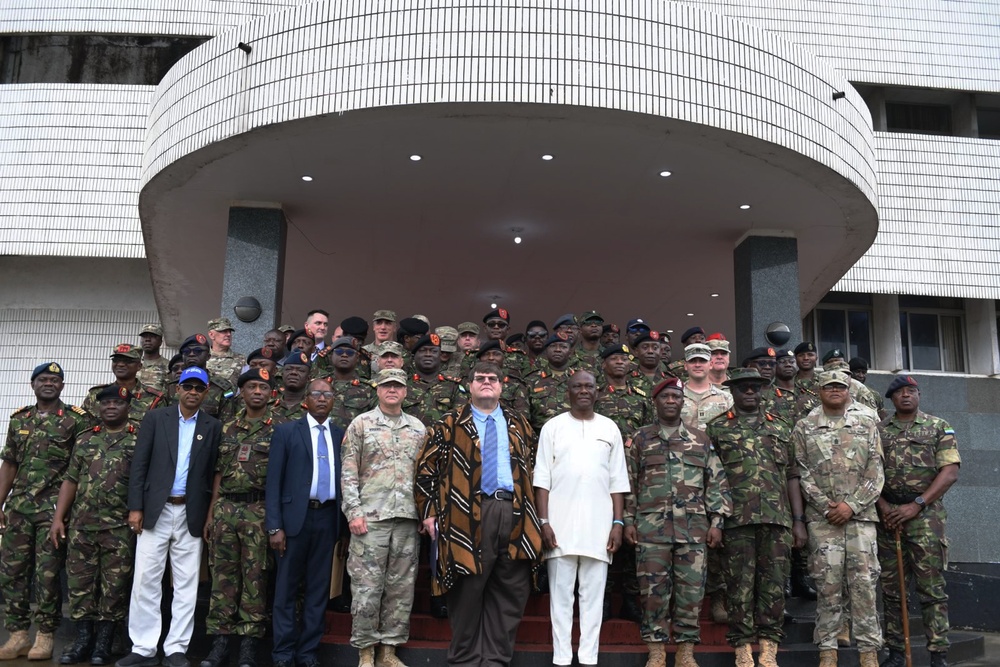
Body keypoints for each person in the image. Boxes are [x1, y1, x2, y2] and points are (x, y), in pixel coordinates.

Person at [414, 362, 543, 667]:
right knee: (467, 590)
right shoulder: (449, 423)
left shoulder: (520, 424)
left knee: (511, 589)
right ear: (469, 385)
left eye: (493, 378)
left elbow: (538, 469)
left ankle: (496, 660)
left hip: (516, 512)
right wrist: (429, 514)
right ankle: (465, 660)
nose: (487, 382)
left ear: (502, 385)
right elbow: (424, 471)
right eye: (480, 378)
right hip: (465, 516)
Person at [118, 367, 222, 667]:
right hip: (156, 510)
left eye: (198, 388)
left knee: (186, 584)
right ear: (177, 389)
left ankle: (176, 647)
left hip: (191, 511)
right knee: (146, 580)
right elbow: (140, 464)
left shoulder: (213, 426)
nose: (192, 392)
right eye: (187, 386)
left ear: (205, 392)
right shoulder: (155, 418)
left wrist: (209, 514)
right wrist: (136, 507)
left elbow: (213, 471)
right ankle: (144, 647)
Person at [623, 377, 731, 667]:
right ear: (655, 401)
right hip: (650, 529)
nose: (671, 401)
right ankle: (656, 650)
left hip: (693, 530)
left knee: (691, 593)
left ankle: (685, 651)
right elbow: (629, 483)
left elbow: (716, 482)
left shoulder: (700, 439)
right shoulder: (641, 438)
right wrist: (627, 521)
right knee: (652, 592)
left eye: (676, 397)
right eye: (665, 397)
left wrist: (717, 522)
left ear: (683, 402)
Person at [706, 369, 805, 667]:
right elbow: (711, 478)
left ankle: (769, 646)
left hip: (777, 520)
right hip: (736, 520)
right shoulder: (717, 428)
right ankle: (742, 647)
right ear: (733, 391)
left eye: (755, 387)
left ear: (762, 391)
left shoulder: (782, 427)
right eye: (743, 387)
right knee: (739, 585)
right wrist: (715, 521)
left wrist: (798, 520)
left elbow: (792, 475)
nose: (749, 392)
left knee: (774, 585)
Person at [533, 371, 630, 667]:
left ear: (597, 392)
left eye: (589, 386)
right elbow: (542, 480)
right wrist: (544, 522)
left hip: (599, 528)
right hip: (559, 528)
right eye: (578, 386)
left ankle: (589, 659)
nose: (584, 391)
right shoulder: (553, 427)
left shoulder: (609, 427)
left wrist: (617, 523)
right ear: (568, 392)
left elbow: (617, 481)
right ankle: (561, 658)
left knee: (593, 600)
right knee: (561, 599)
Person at [792, 371, 884, 667]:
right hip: (823, 521)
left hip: (860, 520)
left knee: (864, 587)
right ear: (818, 391)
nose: (835, 390)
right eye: (829, 386)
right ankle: (827, 651)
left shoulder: (867, 423)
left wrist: (852, 506)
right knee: (827, 586)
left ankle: (869, 652)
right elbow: (800, 472)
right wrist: (826, 505)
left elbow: (876, 471)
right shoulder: (805, 427)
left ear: (849, 391)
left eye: (840, 386)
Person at [0, 363, 89, 661]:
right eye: (43, 379)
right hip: (18, 509)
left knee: (48, 575)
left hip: (52, 511)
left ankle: (46, 634)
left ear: (62, 386)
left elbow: (76, 471)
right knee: (12, 573)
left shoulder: (76, 420)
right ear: (32, 384)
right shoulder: (19, 419)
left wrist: (63, 514)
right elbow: (9, 464)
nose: (49, 383)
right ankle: (17, 634)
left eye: (55, 380)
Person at [341, 369, 427, 667]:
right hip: (370, 518)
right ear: (377, 389)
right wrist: (354, 512)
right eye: (387, 385)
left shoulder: (417, 428)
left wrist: (423, 512)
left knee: (401, 588)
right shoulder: (361, 424)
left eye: (398, 386)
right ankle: (365, 650)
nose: (392, 390)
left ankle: (389, 650)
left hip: (406, 518)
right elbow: (349, 471)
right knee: (366, 586)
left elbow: (424, 475)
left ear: (405, 392)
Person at [51, 385, 138, 666]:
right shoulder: (86, 439)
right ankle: (82, 640)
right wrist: (58, 518)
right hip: (82, 526)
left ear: (127, 407)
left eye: (117, 403)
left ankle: (103, 643)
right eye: (106, 403)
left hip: (119, 528)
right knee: (80, 586)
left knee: (113, 588)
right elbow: (71, 480)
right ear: (99, 408)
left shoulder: (138, 439)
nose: (111, 407)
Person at [877, 376, 960, 667]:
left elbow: (949, 472)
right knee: (891, 590)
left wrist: (917, 504)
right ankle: (897, 652)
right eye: (899, 393)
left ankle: (938, 654)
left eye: (911, 391)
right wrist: (885, 507)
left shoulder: (938, 427)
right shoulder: (879, 431)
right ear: (892, 399)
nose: (906, 396)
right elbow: (868, 472)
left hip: (925, 517)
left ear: (919, 395)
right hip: (888, 519)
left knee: (931, 589)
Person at [201, 368, 282, 667]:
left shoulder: (280, 429)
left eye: (263, 386)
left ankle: (248, 647)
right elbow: (218, 474)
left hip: (258, 511)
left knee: (255, 579)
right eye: (251, 387)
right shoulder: (226, 429)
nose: (257, 391)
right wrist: (211, 513)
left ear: (271, 393)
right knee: (222, 578)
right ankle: (219, 645)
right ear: (242, 393)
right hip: (225, 511)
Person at [266, 379, 346, 667]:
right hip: (293, 521)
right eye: (317, 394)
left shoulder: (340, 434)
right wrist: (275, 526)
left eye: (328, 394)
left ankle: (308, 652)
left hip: (327, 518)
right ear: (306, 400)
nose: (322, 399)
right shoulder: (287, 432)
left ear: (334, 399)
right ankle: (283, 653)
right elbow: (273, 482)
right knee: (286, 589)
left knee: (317, 590)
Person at [82, 343, 166, 425]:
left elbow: (160, 430)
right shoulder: (96, 394)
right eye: (116, 360)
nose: (120, 364)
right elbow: (82, 426)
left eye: (127, 361)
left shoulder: (153, 399)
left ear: (139, 366)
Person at [206, 318, 246, 386]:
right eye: (223, 331)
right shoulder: (202, 357)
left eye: (229, 331)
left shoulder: (241, 359)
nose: (228, 334)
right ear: (211, 335)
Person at [136, 324, 170, 390]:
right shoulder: (133, 364)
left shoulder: (168, 366)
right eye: (144, 336)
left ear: (160, 342)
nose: (147, 339)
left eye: (152, 336)